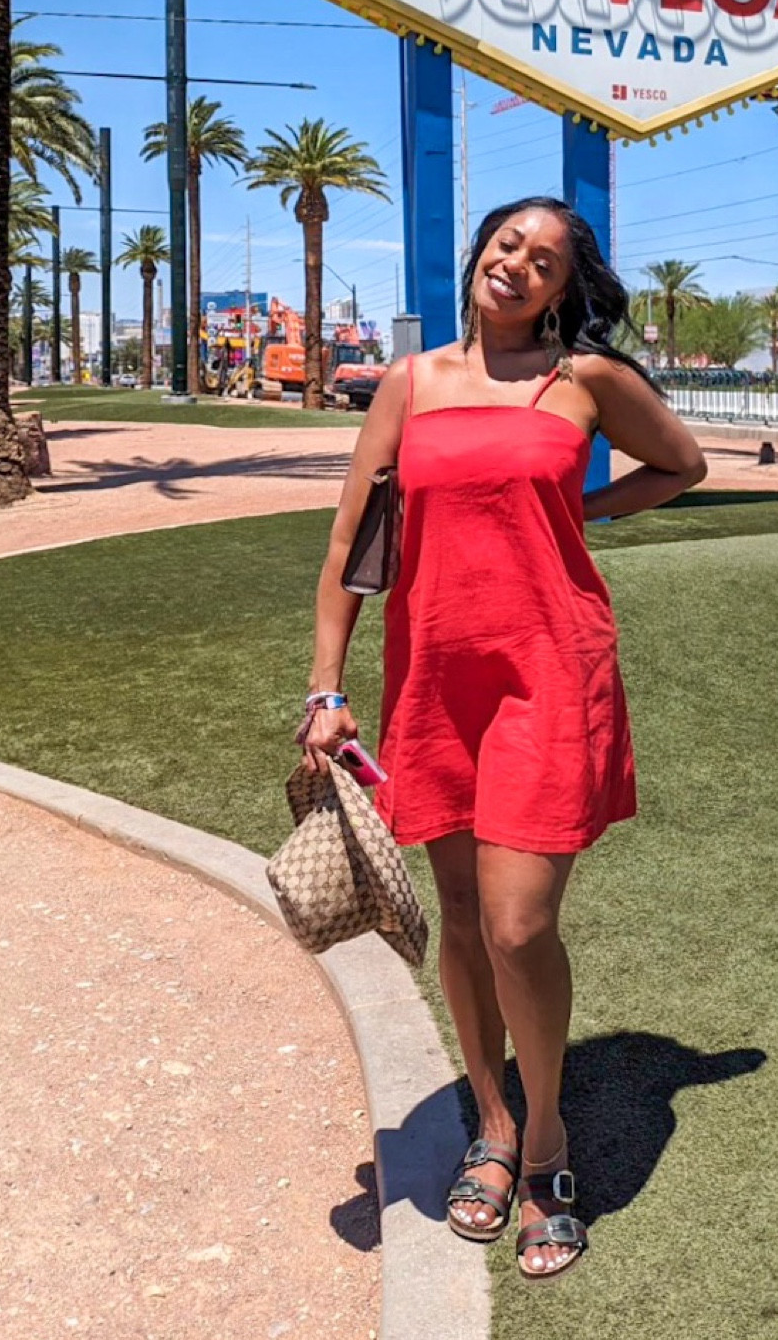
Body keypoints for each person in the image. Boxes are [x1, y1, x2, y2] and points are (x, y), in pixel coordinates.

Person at [301, 196, 706, 1282]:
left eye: (543, 259)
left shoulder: (583, 382)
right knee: (467, 923)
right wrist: (325, 684)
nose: (516, 264)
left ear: (564, 287)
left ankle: (545, 1145)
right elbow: (351, 540)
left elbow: (682, 464)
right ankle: (488, 1118)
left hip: (548, 668)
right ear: (479, 250)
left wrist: (583, 512)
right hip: (436, 676)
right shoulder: (411, 381)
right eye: (505, 244)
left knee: (522, 924)